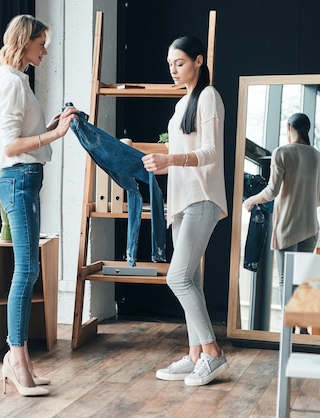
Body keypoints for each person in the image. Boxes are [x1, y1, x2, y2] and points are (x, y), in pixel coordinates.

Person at [0, 14, 78, 397]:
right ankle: (16, 359)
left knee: (29, 270)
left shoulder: (19, 81)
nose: (45, 50)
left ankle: (20, 361)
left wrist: (52, 125)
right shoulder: (9, 83)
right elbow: (8, 147)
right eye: (41, 44)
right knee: (26, 271)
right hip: (18, 179)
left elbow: (22, 134)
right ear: (24, 43)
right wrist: (54, 133)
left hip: (27, 180)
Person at [142, 36, 229, 387]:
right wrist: (162, 166)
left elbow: (210, 153)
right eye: (169, 64)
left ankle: (212, 352)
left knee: (177, 278)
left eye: (179, 63)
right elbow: (183, 158)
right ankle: (195, 355)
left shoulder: (209, 97)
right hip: (180, 201)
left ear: (198, 60)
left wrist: (171, 158)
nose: (173, 69)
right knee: (189, 279)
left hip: (202, 198)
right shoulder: (183, 105)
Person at [243, 112, 320, 300]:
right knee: (299, 283)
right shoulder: (317, 156)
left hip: (288, 227)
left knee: (285, 281)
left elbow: (271, 192)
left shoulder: (282, 152)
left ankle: (287, 330)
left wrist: (251, 200)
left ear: (288, 128)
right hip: (310, 229)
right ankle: (301, 329)